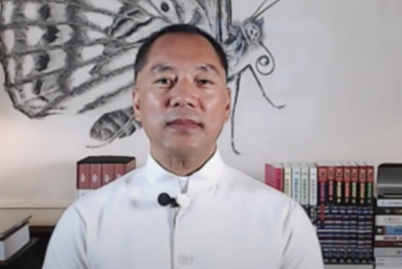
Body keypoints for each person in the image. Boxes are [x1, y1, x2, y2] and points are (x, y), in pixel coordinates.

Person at [42, 24, 324, 269]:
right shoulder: (84, 221)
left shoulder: (285, 221)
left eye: (204, 81)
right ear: (137, 104)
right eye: (164, 80)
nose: (183, 97)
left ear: (227, 105)